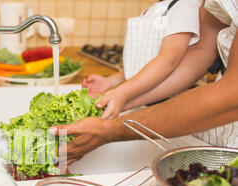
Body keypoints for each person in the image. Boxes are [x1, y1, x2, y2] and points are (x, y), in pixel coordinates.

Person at [51, 0, 238, 165]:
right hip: (214, 133)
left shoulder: (185, 7)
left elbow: (170, 60)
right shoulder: (158, 9)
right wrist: (116, 92)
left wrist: (120, 99)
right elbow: (199, 54)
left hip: (194, 115)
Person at [82, 0, 203, 120]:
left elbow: (169, 59)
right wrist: (110, 81)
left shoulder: (185, 5)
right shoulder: (153, 10)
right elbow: (142, 64)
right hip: (138, 100)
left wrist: (121, 92)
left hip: (163, 107)